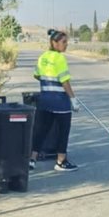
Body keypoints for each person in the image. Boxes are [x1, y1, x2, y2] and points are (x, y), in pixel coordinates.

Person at [31, 29, 79, 172]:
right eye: (64, 42)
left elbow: (37, 75)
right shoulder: (60, 58)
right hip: (60, 101)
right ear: (54, 42)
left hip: (45, 100)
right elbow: (65, 82)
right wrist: (73, 99)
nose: (66, 45)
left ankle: (32, 159)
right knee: (63, 131)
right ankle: (61, 161)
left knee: (40, 130)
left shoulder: (42, 57)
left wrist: (49, 83)